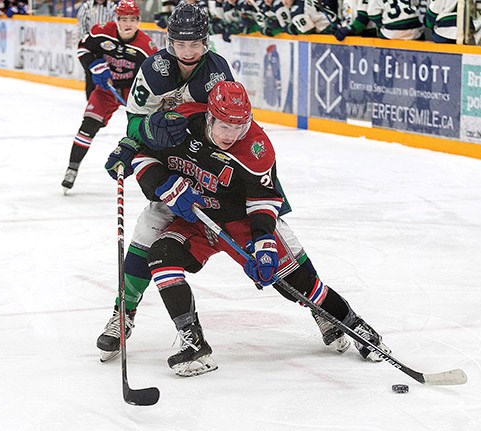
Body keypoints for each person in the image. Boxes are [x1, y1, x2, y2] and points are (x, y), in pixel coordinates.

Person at [96, 2, 349, 362]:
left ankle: (321, 310)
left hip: (217, 173)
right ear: (168, 41)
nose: (188, 52)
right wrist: (142, 138)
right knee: (147, 230)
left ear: (207, 41)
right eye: (180, 44)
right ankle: (124, 315)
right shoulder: (153, 69)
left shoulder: (217, 73)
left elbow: (227, 129)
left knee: (279, 240)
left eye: (195, 43)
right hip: (177, 168)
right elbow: (135, 123)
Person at [136, 81, 390, 376]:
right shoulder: (181, 123)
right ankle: (194, 344)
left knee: (296, 284)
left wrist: (264, 242)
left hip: (239, 221)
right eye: (225, 127)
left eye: (239, 128)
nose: (232, 135)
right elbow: (144, 156)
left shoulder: (256, 147)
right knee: (162, 256)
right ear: (209, 116)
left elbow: (264, 201)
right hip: (196, 218)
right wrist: (162, 184)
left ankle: (356, 325)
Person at [61, 0, 157, 193]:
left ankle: (156, 177)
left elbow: (152, 79)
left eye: (132, 19)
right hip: (106, 89)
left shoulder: (146, 47)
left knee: (145, 131)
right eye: (123, 19)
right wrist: (94, 66)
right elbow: (82, 48)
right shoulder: (102, 31)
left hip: (132, 91)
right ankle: (72, 167)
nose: (127, 24)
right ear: (116, 19)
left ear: (138, 21)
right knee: (88, 125)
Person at [76, 0, 118, 100]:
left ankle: (108, 99)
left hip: (107, 47)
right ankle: (91, 100)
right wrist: (86, 44)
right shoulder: (86, 7)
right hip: (90, 47)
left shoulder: (113, 7)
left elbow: (116, 27)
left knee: (109, 73)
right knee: (90, 72)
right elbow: (81, 28)